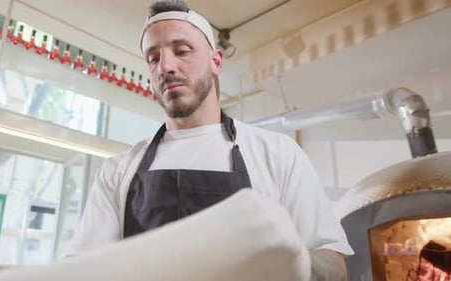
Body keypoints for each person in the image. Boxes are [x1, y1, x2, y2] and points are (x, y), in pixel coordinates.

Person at [70, 0, 353, 279]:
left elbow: (335, 268)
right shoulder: (117, 171)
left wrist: (291, 258)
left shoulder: (278, 153)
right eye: (153, 58)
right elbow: (83, 271)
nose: (165, 66)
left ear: (216, 61)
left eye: (182, 51)